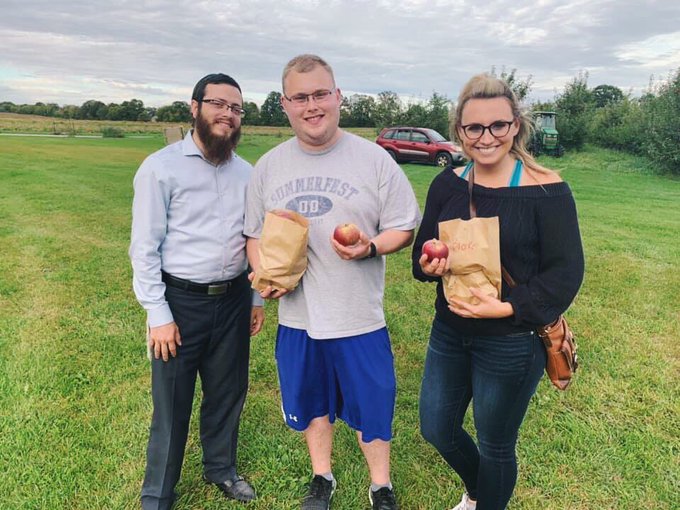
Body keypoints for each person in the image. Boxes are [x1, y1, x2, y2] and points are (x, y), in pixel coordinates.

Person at [244, 54, 420, 510]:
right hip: (299, 320)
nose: (312, 105)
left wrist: (371, 247)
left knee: (372, 409)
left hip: (358, 317)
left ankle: (380, 484)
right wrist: (265, 275)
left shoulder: (374, 160)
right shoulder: (268, 167)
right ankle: (321, 477)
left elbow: (404, 225)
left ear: (338, 96)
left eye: (321, 93)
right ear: (284, 104)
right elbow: (254, 236)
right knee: (312, 406)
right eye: (300, 97)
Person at [412, 74, 584, 510]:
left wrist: (507, 306)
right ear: (459, 131)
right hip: (449, 332)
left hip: (511, 341)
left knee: (495, 444)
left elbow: (566, 273)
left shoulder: (547, 189)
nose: (486, 137)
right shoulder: (447, 184)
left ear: (515, 126)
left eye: (498, 126)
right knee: (437, 427)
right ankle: (479, 492)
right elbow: (422, 256)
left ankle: (486, 500)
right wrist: (429, 266)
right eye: (474, 128)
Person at [129, 73, 264, 510]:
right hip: (179, 302)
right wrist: (158, 314)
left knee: (227, 391)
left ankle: (221, 469)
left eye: (236, 108)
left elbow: (254, 239)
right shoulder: (161, 168)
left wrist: (256, 297)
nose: (227, 114)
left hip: (233, 300)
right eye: (218, 104)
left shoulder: (247, 173)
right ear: (194, 107)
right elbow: (144, 247)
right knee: (172, 401)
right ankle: (158, 492)